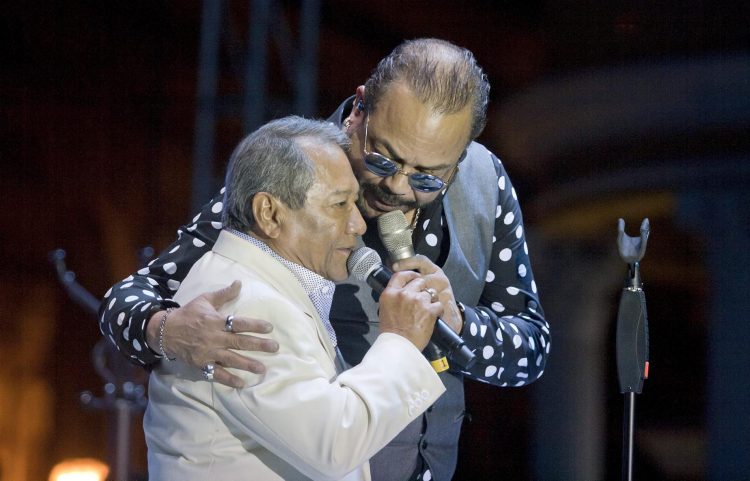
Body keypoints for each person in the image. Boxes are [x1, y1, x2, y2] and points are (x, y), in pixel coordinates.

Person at [100, 38, 551, 481]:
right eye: (383, 160)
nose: (397, 188)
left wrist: (457, 323)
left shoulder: (487, 182)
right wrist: (165, 331)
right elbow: (128, 298)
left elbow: (531, 352)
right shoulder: (300, 169)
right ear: (359, 111)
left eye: (429, 179)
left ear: (460, 157)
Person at [145, 116, 446, 480]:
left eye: (355, 203)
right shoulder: (244, 303)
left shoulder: (262, 286)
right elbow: (335, 443)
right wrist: (400, 340)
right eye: (339, 205)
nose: (358, 225)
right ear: (269, 214)